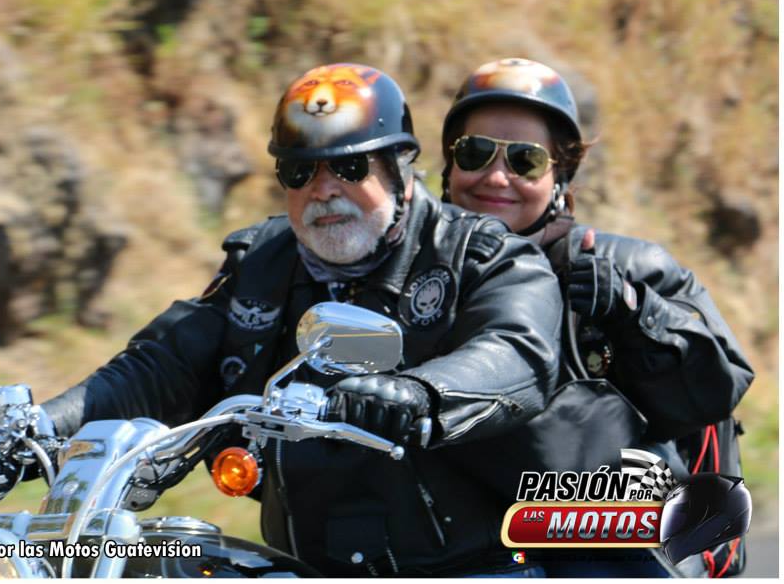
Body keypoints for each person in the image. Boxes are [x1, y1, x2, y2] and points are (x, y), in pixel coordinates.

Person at [40, 63, 564, 576]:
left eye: (349, 168)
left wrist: (420, 393)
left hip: (469, 566)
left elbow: (516, 351)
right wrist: (43, 425)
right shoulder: (261, 263)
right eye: (300, 171)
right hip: (306, 566)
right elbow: (161, 364)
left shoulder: (482, 254)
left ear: (400, 170)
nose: (323, 189)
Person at [440, 57, 754, 576]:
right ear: (448, 164)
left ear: (560, 175)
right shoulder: (408, 274)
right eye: (474, 153)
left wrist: (634, 310)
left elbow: (716, 388)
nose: (496, 176)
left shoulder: (632, 265)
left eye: (525, 160)